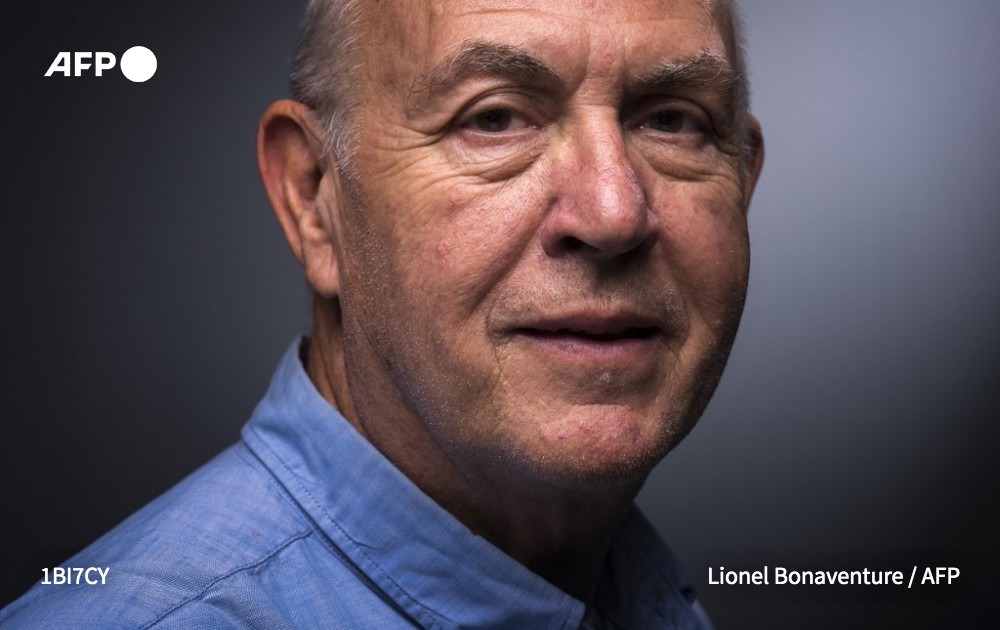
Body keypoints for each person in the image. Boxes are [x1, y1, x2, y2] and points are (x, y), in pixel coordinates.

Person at [0, 0, 763, 627]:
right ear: (314, 199)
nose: (613, 212)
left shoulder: (635, 594)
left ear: (744, 180)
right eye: (495, 118)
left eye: (673, 121)